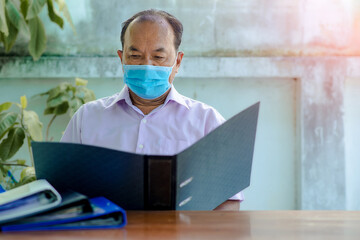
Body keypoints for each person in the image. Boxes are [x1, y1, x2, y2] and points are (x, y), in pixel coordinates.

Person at [61, 9, 243, 210]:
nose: (147, 66)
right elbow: (61, 191)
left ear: (178, 62)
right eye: (135, 55)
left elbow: (228, 204)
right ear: (121, 59)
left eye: (158, 56)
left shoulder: (207, 122)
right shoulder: (87, 119)